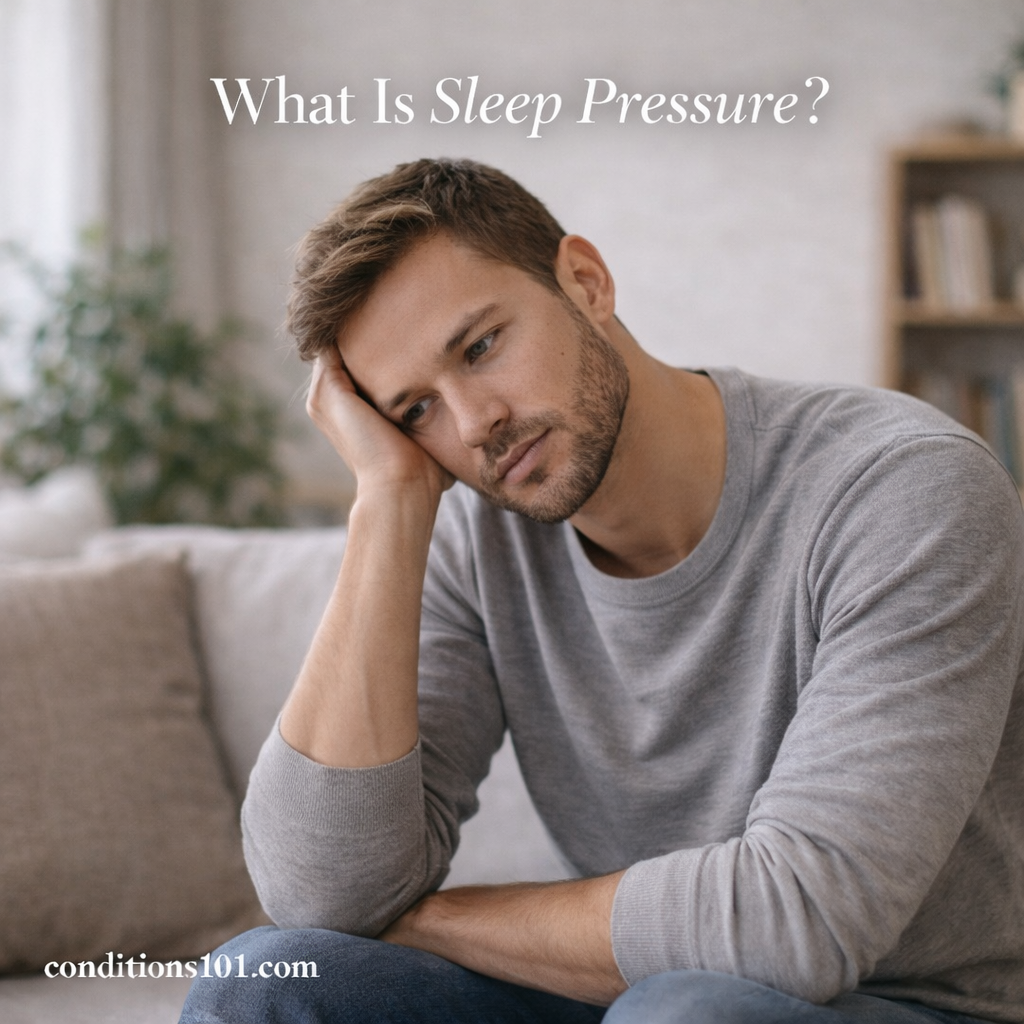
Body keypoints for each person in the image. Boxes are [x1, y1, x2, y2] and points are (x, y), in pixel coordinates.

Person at [180, 158, 1024, 1024]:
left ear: (585, 281)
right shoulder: (475, 536)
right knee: (269, 979)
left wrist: (428, 917)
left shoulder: (902, 490)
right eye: (415, 411)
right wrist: (388, 502)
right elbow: (319, 894)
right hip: (638, 991)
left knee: (687, 1013)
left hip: (906, 1004)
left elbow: (797, 920)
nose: (474, 425)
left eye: (479, 347)